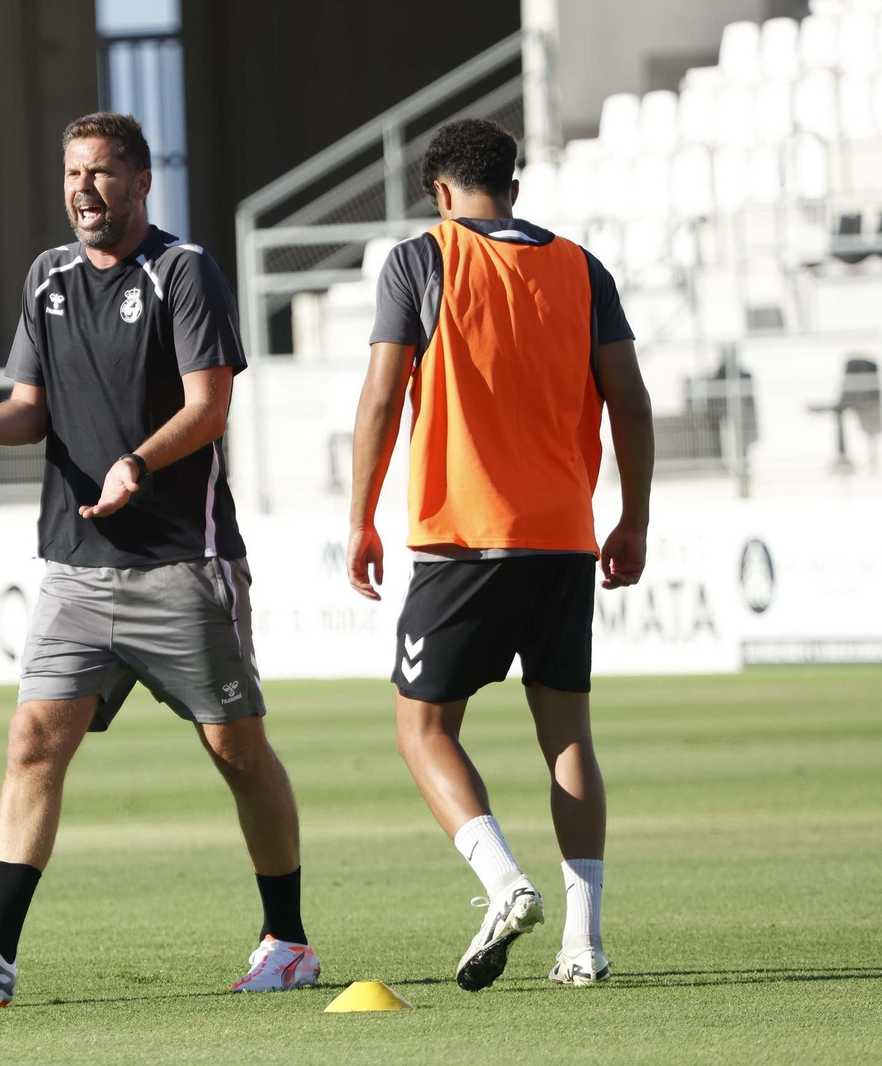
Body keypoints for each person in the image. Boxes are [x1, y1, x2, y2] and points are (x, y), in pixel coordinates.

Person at [0, 112, 318, 1007]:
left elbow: (209, 408)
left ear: (140, 182)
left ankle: (287, 940)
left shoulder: (182, 271)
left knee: (237, 751)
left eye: (100, 173)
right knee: (32, 740)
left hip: (181, 563)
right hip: (76, 567)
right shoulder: (46, 278)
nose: (82, 189)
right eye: (71, 174)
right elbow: (29, 406)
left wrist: (138, 461)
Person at [347, 118, 654, 991]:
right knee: (568, 739)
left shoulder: (421, 259)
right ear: (512, 188)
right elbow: (629, 399)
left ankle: (503, 882)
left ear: (441, 194)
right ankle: (585, 946)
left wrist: (361, 517)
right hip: (563, 535)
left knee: (423, 729)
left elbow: (380, 395)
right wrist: (631, 516)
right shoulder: (581, 268)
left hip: (461, 538)